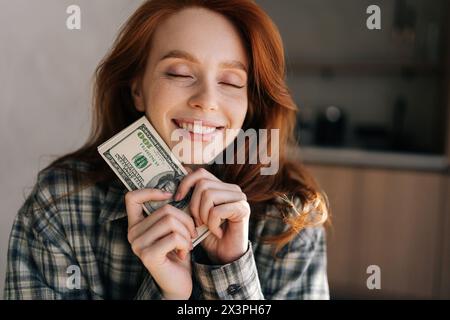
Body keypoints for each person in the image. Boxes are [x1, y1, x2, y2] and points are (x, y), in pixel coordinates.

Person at [5, 0, 330, 300]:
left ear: (250, 103)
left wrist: (230, 269)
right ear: (137, 89)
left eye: (231, 82)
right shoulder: (60, 205)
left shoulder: (289, 219)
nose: (207, 99)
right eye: (180, 73)